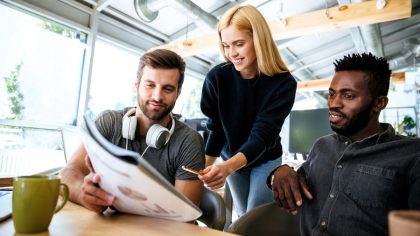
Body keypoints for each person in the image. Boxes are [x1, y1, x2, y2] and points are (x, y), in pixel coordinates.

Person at [270, 53, 420, 235]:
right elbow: (292, 182)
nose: (333, 104)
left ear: (379, 103)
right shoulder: (321, 146)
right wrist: (278, 172)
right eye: (332, 94)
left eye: (348, 96)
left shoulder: (411, 155)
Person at [61, 49, 205, 213]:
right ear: (136, 85)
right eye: (150, 85)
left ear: (178, 93)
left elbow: (186, 217)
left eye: (168, 89)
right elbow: (67, 173)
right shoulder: (109, 123)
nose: (157, 96)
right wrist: (83, 193)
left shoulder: (188, 141)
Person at [199, 5, 297, 217]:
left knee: (255, 217)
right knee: (243, 215)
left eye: (239, 44)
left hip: (265, 159)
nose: (231, 53)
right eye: (226, 45)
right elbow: (216, 128)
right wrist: (202, 171)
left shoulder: (283, 83)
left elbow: (263, 135)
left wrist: (226, 168)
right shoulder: (217, 78)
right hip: (231, 156)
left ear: (259, 41)